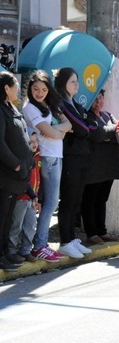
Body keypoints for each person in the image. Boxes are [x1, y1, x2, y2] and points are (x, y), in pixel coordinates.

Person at [22, 70, 71, 262]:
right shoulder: (29, 107)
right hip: (46, 156)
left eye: (44, 89)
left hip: (56, 155)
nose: (40, 93)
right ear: (30, 89)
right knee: (50, 203)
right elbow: (51, 132)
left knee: (48, 202)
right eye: (36, 89)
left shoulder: (50, 105)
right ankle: (39, 245)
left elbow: (68, 125)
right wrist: (57, 132)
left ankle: (40, 244)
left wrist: (55, 130)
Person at [54, 67, 97, 259]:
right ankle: (65, 240)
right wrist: (84, 126)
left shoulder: (77, 105)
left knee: (76, 200)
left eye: (77, 81)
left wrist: (85, 126)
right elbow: (80, 127)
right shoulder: (60, 104)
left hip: (83, 156)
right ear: (63, 83)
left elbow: (93, 124)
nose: (76, 85)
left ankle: (71, 238)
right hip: (71, 156)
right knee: (68, 199)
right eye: (72, 81)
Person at [0, 71, 35, 271]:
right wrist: (16, 164)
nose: (19, 89)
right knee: (2, 217)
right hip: (6, 175)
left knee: (8, 218)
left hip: (18, 177)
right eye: (15, 85)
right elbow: (1, 144)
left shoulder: (11, 107)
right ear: (6, 88)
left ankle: (6, 252)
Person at [81, 89, 119, 246]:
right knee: (90, 199)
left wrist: (107, 135)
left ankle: (102, 231)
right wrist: (109, 133)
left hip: (108, 165)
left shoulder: (107, 115)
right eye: (95, 99)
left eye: (101, 98)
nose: (98, 102)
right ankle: (91, 233)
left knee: (102, 199)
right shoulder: (87, 117)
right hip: (93, 166)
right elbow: (98, 134)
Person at [8, 132, 41, 263]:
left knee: (31, 225)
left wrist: (37, 198)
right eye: (30, 142)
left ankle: (26, 250)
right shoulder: (22, 159)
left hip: (32, 199)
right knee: (16, 225)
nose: (34, 144)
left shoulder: (37, 158)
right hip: (21, 198)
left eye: (36, 141)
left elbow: (38, 180)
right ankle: (12, 250)